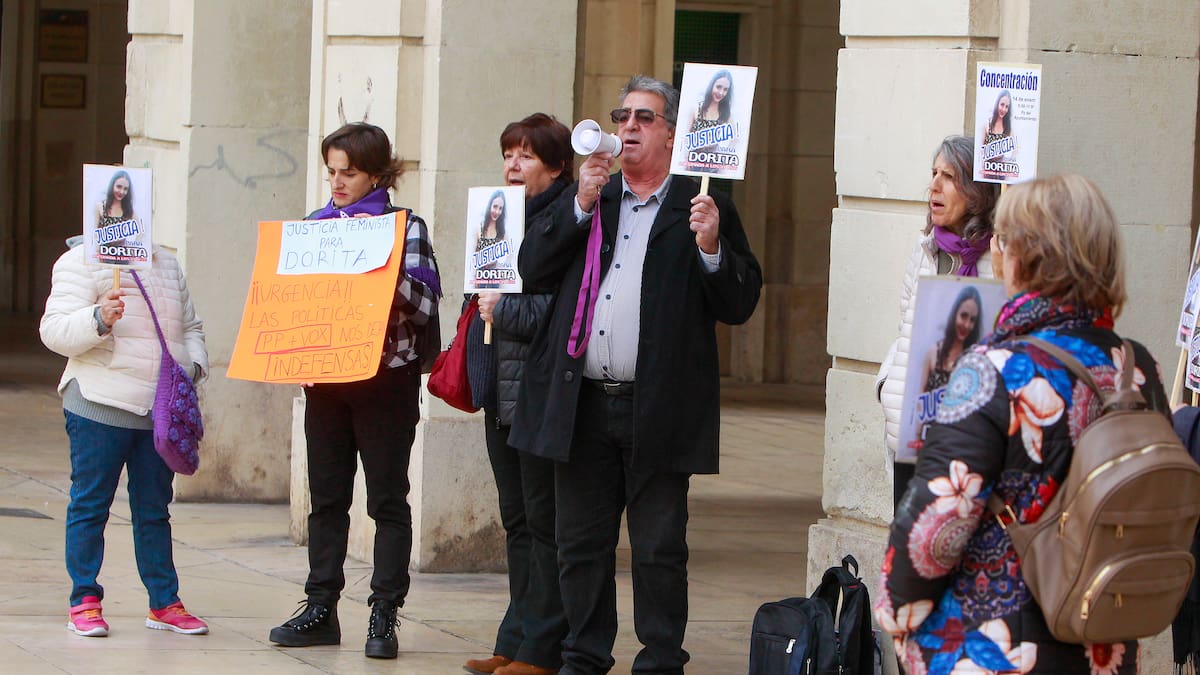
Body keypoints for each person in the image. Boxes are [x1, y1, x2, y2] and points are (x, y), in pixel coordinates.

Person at [510, 75, 762, 675]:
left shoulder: (704, 206)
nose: (628, 127)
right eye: (622, 116)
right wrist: (579, 203)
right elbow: (531, 267)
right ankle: (584, 653)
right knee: (581, 545)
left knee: (657, 548)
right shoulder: (594, 198)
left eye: (644, 118)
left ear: (673, 135)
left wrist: (711, 249)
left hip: (660, 405)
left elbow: (740, 302)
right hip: (584, 403)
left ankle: (659, 659)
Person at [876, 174, 1160, 674]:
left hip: (995, 647)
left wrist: (900, 619)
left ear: (1024, 256)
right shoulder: (1137, 368)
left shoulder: (995, 370)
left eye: (1003, 241)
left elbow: (932, 529)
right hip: (1104, 642)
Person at [266, 122, 441, 660]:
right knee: (327, 499)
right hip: (327, 385)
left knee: (387, 499)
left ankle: (384, 614)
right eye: (332, 172)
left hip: (385, 380)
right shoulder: (316, 226)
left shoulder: (402, 226)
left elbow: (427, 304)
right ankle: (320, 606)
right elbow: (295, 307)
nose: (338, 183)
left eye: (350, 173)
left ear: (377, 174)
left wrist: (383, 268)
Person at [40, 234, 209, 637]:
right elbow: (54, 330)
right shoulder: (79, 259)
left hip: (157, 410)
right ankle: (84, 599)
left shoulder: (166, 264)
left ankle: (164, 602)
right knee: (90, 505)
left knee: (154, 510)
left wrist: (193, 367)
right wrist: (98, 318)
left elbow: (190, 327)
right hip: (99, 403)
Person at [462, 113, 574, 675]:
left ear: (556, 166)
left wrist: (503, 310)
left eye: (526, 155)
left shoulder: (567, 222)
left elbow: (562, 310)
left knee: (543, 522)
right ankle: (514, 638)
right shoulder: (498, 217)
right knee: (518, 522)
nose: (512, 164)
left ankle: (542, 649)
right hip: (500, 393)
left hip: (539, 393)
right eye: (509, 153)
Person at [877, 135, 1000, 506]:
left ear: (976, 192)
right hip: (911, 429)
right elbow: (906, 322)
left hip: (967, 434)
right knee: (906, 544)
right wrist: (888, 386)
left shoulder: (998, 258)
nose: (934, 186)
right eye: (933, 173)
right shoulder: (926, 247)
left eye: (948, 176)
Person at [911, 285, 982, 450]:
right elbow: (920, 398)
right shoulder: (933, 353)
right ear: (954, 314)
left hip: (958, 447)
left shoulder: (975, 359)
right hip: (928, 444)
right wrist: (917, 440)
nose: (967, 324)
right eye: (963, 316)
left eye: (972, 320)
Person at [94, 170, 145, 264]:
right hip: (103, 256)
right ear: (112, 185)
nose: (122, 191)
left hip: (122, 257)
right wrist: (97, 250)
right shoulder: (100, 207)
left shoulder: (129, 211)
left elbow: (141, 232)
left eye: (125, 189)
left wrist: (132, 250)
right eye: (119, 187)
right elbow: (94, 232)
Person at [980, 90, 1016, 179]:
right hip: (987, 170)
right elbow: (980, 149)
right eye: (1002, 104)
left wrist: (1008, 166)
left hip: (1002, 172)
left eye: (1007, 107)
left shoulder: (1009, 129)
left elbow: (1016, 150)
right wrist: (982, 168)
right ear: (997, 104)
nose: (1004, 109)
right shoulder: (986, 125)